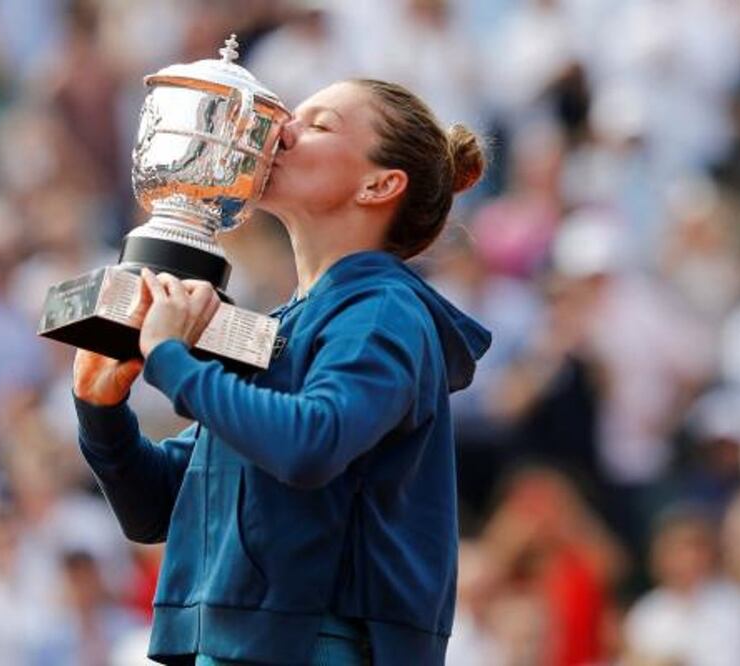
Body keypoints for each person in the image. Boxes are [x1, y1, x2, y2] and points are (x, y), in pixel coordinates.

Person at [71, 79, 490, 665]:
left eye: (318, 125)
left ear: (380, 184)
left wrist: (173, 360)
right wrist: (102, 414)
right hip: (240, 644)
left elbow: (312, 443)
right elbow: (158, 507)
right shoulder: (284, 323)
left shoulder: (383, 311)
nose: (281, 131)